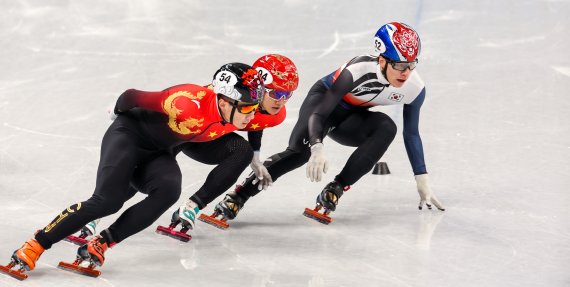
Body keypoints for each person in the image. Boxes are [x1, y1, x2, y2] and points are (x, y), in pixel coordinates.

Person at [0, 62, 264, 280]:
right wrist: (117, 115)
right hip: (128, 136)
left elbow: (265, 117)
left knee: (168, 190)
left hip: (157, 152)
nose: (252, 116)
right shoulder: (186, 101)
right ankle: (35, 244)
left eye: (255, 107)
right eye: (247, 109)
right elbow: (132, 96)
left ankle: (101, 243)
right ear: (225, 101)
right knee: (107, 201)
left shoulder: (238, 111)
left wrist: (255, 153)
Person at [213, 22, 445, 225]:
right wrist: (317, 146)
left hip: (352, 120)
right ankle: (239, 196)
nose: (406, 73)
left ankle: (335, 189)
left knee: (387, 127)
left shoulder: (415, 88)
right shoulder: (356, 71)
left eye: (412, 64)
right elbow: (320, 114)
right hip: (324, 105)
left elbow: (411, 134)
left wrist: (421, 177)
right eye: (400, 65)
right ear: (382, 60)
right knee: (299, 153)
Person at [160, 54, 299, 232]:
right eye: (276, 93)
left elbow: (258, 122)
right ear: (260, 88)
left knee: (243, 151)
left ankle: (191, 207)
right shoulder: (225, 93)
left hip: (208, 141)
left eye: (287, 94)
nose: (281, 101)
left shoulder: (275, 114)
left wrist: (255, 157)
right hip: (187, 126)